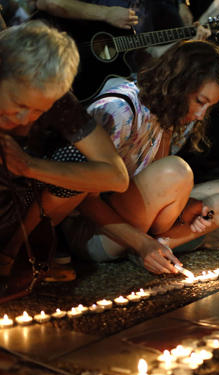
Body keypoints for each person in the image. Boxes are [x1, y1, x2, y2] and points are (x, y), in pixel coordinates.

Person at [62, 40, 219, 274]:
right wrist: (143, 242)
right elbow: (82, 199)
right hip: (94, 232)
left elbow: (155, 186)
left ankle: (161, 247)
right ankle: (146, 246)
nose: (201, 115)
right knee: (176, 171)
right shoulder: (118, 110)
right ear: (177, 83)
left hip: (141, 218)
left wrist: (187, 207)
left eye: (208, 107)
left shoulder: (171, 113)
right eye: (200, 102)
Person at [0, 21, 129, 279]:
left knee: (78, 161)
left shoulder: (57, 101)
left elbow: (117, 176)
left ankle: (12, 252)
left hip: (18, 209)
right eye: (18, 103)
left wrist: (28, 165)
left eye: (39, 110)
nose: (25, 118)